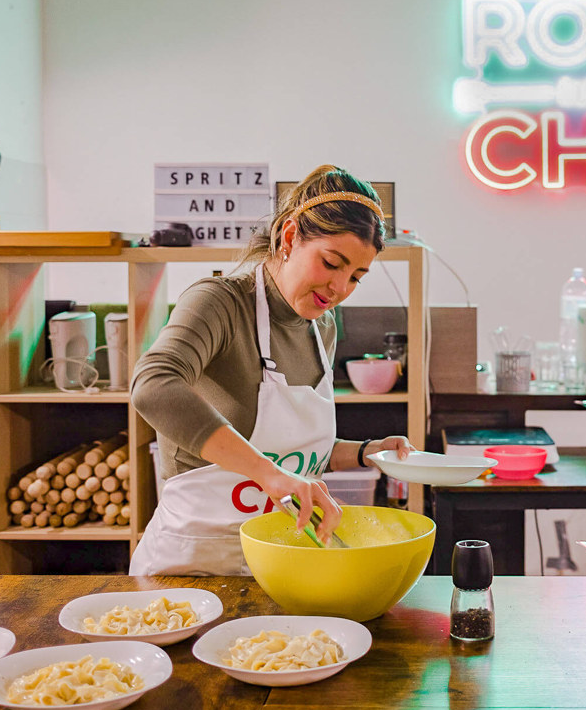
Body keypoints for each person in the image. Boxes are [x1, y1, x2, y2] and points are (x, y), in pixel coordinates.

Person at [129, 165, 413, 575]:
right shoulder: (220, 302)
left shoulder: (322, 327)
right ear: (290, 236)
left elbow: (294, 456)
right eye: (332, 263)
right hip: (195, 567)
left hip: (282, 561)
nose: (339, 289)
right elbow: (153, 385)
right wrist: (269, 476)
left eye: (356, 277)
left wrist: (367, 452)